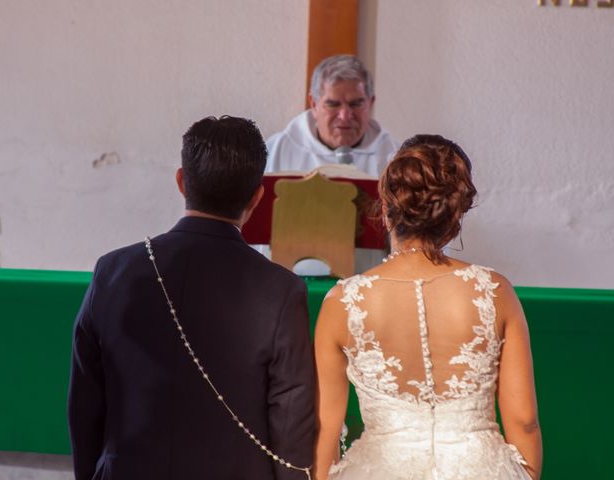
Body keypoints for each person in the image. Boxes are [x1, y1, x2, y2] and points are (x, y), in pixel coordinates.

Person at [68, 116, 316, 480]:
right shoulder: (280, 289)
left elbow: (85, 400)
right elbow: (292, 415)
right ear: (258, 196)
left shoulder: (113, 271)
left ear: (181, 181)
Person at [314, 135, 542, 479]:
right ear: (454, 215)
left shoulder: (343, 302)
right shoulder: (495, 292)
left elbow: (324, 429)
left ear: (387, 207)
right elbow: (524, 422)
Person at [266, 54, 400, 176]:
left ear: (371, 103)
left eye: (356, 104)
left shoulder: (394, 156)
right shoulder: (276, 151)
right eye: (333, 104)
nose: (344, 116)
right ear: (313, 104)